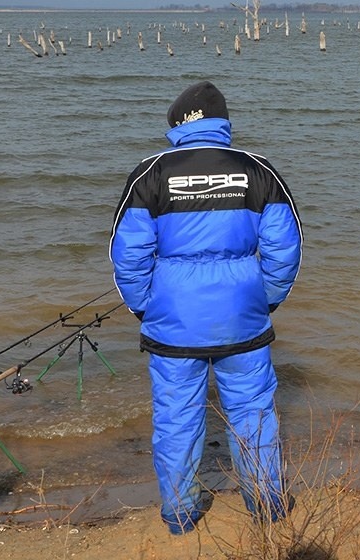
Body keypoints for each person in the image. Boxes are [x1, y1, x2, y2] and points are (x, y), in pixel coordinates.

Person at [110, 80, 302, 534]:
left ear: (178, 124)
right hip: (243, 321)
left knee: (176, 421)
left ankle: (180, 516)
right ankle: (269, 510)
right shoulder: (259, 171)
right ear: (222, 124)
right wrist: (262, 300)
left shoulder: (150, 174)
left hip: (172, 326)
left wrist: (147, 309)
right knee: (254, 415)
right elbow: (285, 251)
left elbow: (127, 256)